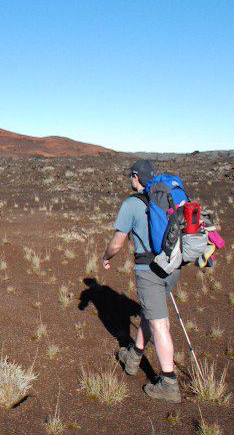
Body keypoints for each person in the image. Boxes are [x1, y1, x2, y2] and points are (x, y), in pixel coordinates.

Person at [100, 159, 182, 403]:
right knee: (149, 313)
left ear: (136, 177)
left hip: (149, 270)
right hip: (172, 266)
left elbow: (118, 241)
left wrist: (106, 257)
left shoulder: (131, 204)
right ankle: (134, 357)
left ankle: (169, 382)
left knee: (159, 324)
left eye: (131, 176)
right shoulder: (166, 198)